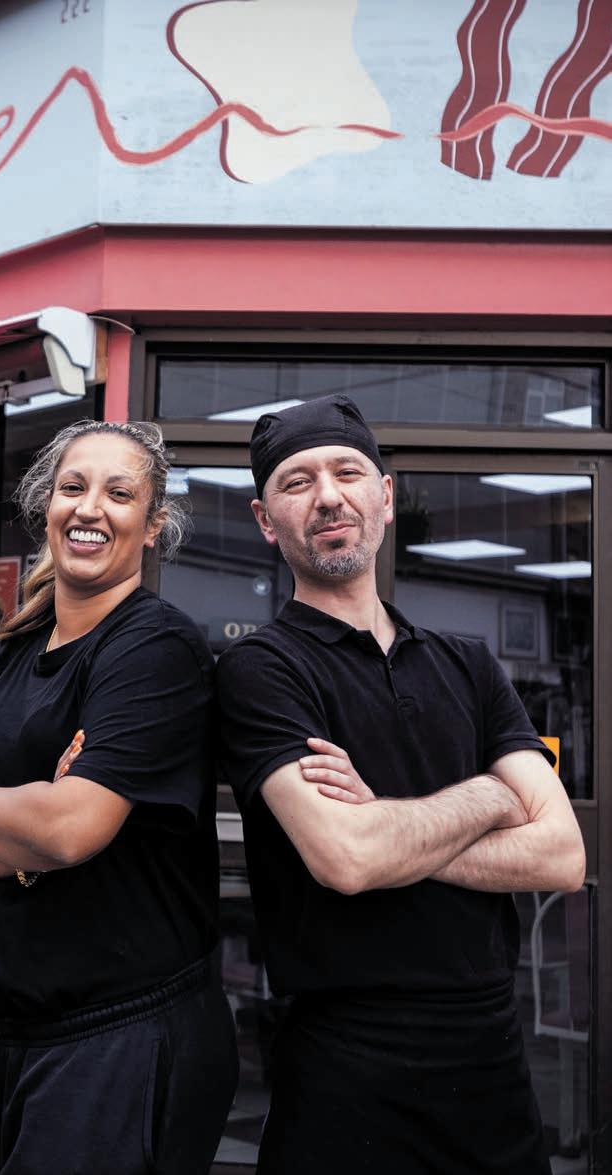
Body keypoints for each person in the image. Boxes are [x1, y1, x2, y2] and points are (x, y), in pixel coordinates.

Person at [215, 394, 586, 1174]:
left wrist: (387, 827)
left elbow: (560, 855)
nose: (327, 495)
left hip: (492, 1068)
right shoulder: (261, 670)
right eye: (296, 482)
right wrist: (491, 796)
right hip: (346, 1071)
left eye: (347, 472)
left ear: (384, 495)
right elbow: (347, 859)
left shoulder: (467, 663)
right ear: (264, 519)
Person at [0, 419, 238, 1175]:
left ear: (153, 525)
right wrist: (30, 831)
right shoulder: (2, 659)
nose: (89, 508)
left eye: (119, 493)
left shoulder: (155, 648)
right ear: (46, 506)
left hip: (118, 1040)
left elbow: (70, 829)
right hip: (2, 1038)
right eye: (72, 487)